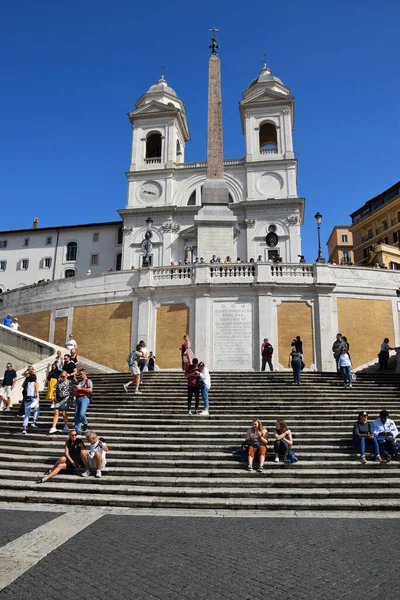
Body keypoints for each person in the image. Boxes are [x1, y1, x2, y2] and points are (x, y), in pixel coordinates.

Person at [21, 367, 40, 435]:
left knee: (26, 414)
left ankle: (24, 429)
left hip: (27, 399)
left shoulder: (27, 384)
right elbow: (37, 391)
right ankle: (34, 422)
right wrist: (38, 398)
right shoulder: (36, 383)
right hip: (33, 398)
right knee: (37, 409)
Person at [73, 369, 93, 434]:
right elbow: (76, 390)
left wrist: (81, 389)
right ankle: (78, 430)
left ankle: (85, 423)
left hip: (85, 398)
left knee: (81, 413)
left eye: (81, 374)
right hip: (78, 398)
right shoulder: (79, 382)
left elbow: (90, 390)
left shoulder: (88, 381)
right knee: (76, 415)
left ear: (85, 374)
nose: (80, 375)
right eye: (79, 374)